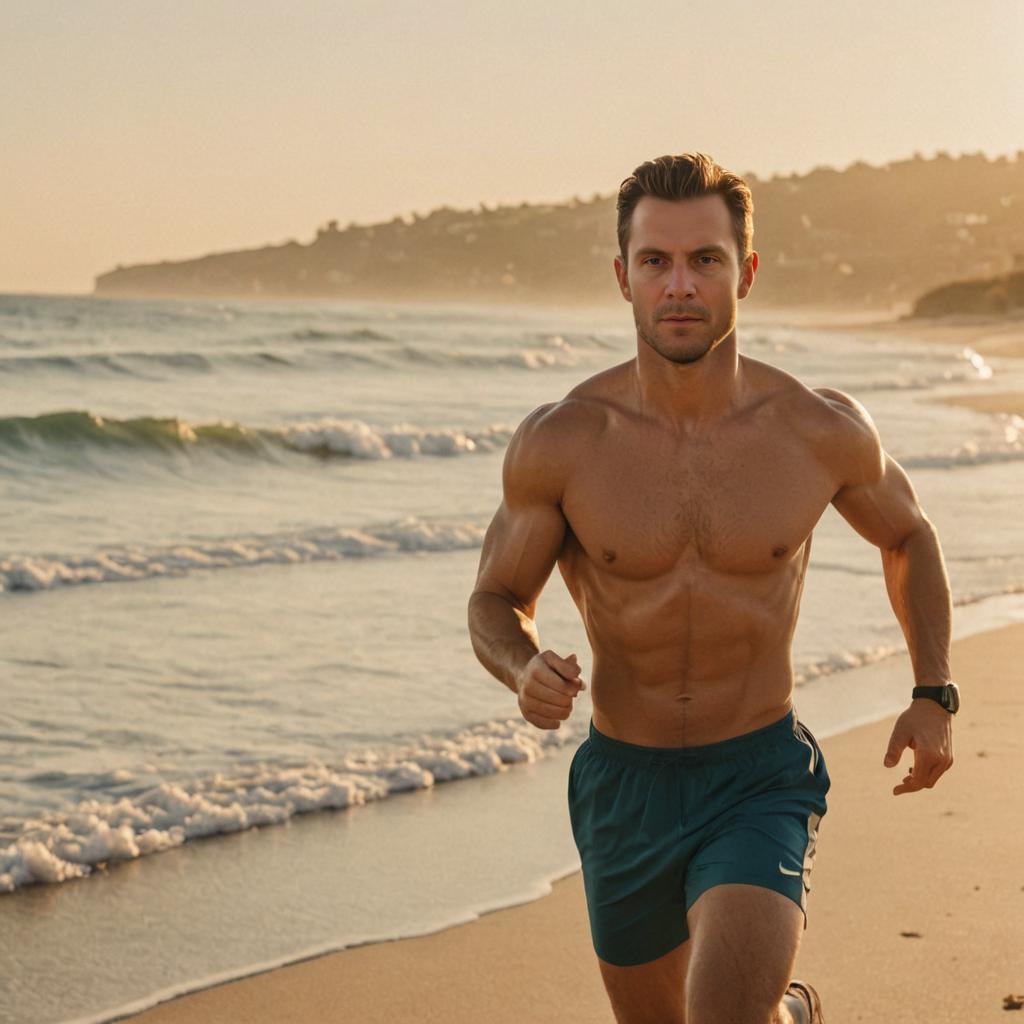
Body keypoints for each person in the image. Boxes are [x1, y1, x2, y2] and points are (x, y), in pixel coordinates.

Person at [466, 152, 956, 1024]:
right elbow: (495, 597)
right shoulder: (564, 441)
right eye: (656, 261)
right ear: (623, 277)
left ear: (747, 272)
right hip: (624, 785)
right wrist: (522, 665)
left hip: (757, 774)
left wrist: (933, 691)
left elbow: (909, 534)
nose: (680, 285)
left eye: (706, 260)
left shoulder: (815, 428)